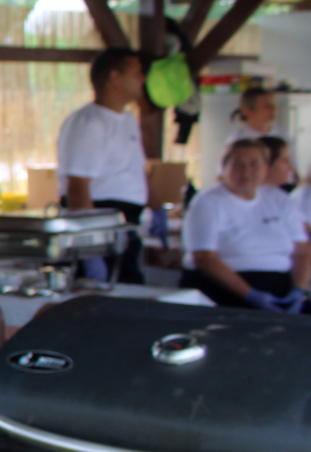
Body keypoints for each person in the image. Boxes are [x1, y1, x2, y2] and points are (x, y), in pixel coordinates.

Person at [181, 138, 310, 312]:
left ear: (266, 168)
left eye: (254, 164)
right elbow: (204, 258)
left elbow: (302, 251)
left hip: (282, 287)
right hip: (227, 289)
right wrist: (251, 295)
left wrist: (299, 290)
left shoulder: (280, 200)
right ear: (224, 168)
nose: (246, 171)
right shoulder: (207, 202)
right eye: (238, 164)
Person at [57, 48, 149, 283]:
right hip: (100, 221)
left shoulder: (128, 120)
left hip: (124, 221)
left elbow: (137, 170)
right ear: (115, 77)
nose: (142, 79)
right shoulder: (89, 123)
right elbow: (77, 187)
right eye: (136, 73)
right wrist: (90, 248)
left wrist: (157, 208)